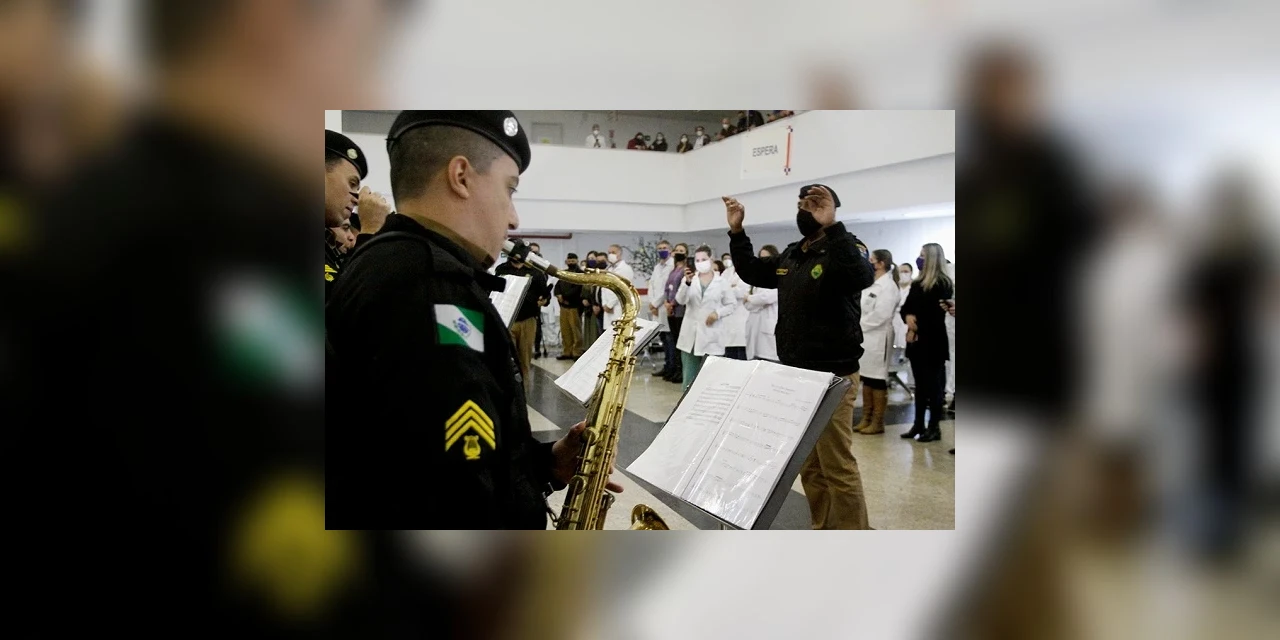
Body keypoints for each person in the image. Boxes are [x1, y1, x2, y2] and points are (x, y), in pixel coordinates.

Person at [326, 110, 622, 529]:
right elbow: (456, 498)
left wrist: (547, 465)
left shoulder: (390, 263)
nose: (514, 218)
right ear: (461, 176)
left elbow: (435, 458)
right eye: (510, 189)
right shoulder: (429, 286)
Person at [726, 184, 876, 530]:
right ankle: (822, 527)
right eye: (801, 204)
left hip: (832, 376)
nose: (804, 210)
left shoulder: (847, 247)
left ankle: (856, 535)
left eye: (814, 204)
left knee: (837, 465)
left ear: (831, 209)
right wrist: (737, 232)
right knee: (809, 463)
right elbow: (751, 270)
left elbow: (860, 275)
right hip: (796, 375)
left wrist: (833, 225)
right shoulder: (795, 253)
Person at [899, 243, 954, 443]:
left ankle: (934, 427)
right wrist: (908, 318)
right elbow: (906, 307)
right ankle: (918, 423)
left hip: (933, 340)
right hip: (916, 342)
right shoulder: (917, 283)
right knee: (920, 387)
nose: (919, 259)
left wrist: (916, 326)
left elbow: (934, 315)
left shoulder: (942, 283)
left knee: (934, 387)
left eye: (923, 255)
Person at [675, 245, 737, 392]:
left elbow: (731, 304)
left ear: (711, 259)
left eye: (704, 259)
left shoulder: (721, 281)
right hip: (691, 336)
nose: (700, 262)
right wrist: (687, 284)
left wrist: (717, 313)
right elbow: (680, 300)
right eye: (697, 260)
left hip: (711, 334)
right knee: (689, 379)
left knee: (710, 378)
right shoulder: (690, 279)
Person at [854, 250, 902, 435]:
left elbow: (881, 315)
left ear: (881, 264)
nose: (868, 263)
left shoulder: (888, 286)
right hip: (866, 337)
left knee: (877, 378)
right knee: (866, 377)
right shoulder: (872, 284)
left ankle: (878, 421)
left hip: (879, 337)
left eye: (872, 260)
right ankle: (866, 418)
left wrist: (859, 325)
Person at [495, 248, 550, 391]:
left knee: (524, 359)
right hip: (507, 319)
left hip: (528, 319)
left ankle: (523, 392)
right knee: (508, 359)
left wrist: (543, 301)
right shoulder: (502, 269)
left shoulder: (535, 272)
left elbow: (545, 295)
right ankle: (509, 392)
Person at [742, 244, 780, 361]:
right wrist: (753, 300)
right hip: (754, 328)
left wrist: (750, 298)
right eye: (761, 258)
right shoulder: (757, 279)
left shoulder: (779, 277)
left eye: (767, 258)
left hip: (768, 333)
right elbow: (748, 306)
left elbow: (767, 298)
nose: (763, 261)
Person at [662, 243, 691, 382]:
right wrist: (667, 302)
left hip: (679, 309)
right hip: (670, 310)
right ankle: (674, 368)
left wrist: (672, 303)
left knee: (680, 341)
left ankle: (681, 371)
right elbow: (668, 288)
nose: (678, 253)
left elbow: (681, 290)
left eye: (682, 251)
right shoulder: (673, 270)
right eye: (677, 250)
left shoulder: (685, 271)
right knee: (673, 340)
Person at [647, 240, 676, 378]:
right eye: (659, 248)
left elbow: (667, 288)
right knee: (663, 338)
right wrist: (652, 303)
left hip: (664, 306)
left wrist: (656, 303)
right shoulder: (657, 267)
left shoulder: (672, 265)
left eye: (664, 248)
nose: (662, 250)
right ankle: (666, 365)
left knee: (670, 339)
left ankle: (672, 367)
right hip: (656, 308)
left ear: (670, 249)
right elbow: (651, 285)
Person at [719, 252, 749, 360]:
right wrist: (731, 288)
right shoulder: (727, 272)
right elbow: (719, 290)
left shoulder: (748, 271)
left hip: (742, 316)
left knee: (741, 355)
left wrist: (728, 289)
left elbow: (743, 292)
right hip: (727, 318)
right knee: (728, 356)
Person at [554, 253, 584, 360]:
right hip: (563, 307)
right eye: (569, 261)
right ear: (566, 261)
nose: (571, 262)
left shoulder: (581, 274)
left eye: (573, 261)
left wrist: (565, 297)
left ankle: (577, 352)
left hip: (574, 306)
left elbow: (577, 289)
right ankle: (567, 351)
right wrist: (558, 295)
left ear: (577, 261)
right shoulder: (564, 273)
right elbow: (557, 286)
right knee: (565, 330)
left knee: (575, 330)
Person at [599, 244, 635, 329]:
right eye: (609, 252)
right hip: (607, 308)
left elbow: (622, 289)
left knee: (619, 332)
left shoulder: (625, 269)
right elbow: (603, 288)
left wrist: (610, 305)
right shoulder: (608, 269)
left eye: (613, 252)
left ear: (620, 254)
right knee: (608, 334)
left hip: (618, 306)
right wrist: (604, 304)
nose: (611, 254)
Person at [580, 251, 603, 348]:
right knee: (587, 329)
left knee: (595, 330)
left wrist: (592, 302)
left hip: (596, 305)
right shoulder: (586, 274)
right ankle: (587, 348)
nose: (591, 261)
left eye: (593, 259)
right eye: (589, 259)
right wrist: (584, 299)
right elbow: (583, 289)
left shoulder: (599, 273)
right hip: (587, 307)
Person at [528, 242, 546, 358]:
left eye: (536, 252)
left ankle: (537, 348)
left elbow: (544, 283)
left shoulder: (541, 267)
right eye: (532, 252)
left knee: (537, 328)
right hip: (524, 301)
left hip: (536, 302)